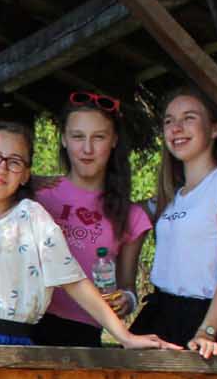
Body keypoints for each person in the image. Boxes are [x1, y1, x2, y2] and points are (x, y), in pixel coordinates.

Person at [0, 121, 179, 353]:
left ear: (26, 175)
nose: (2, 168)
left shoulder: (33, 218)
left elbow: (75, 281)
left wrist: (125, 336)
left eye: (14, 162)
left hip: (14, 347)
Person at [29, 92, 155, 348]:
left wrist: (126, 300)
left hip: (83, 336)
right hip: (28, 326)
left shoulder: (132, 216)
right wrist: (20, 182)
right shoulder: (37, 194)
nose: (87, 149)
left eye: (99, 137)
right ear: (64, 139)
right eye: (78, 136)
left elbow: (128, 287)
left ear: (114, 140)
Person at [136, 85, 217, 359]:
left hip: (199, 318)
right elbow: (121, 213)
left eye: (189, 118)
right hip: (157, 313)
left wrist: (207, 332)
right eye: (169, 121)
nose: (176, 128)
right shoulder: (173, 195)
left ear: (215, 129)